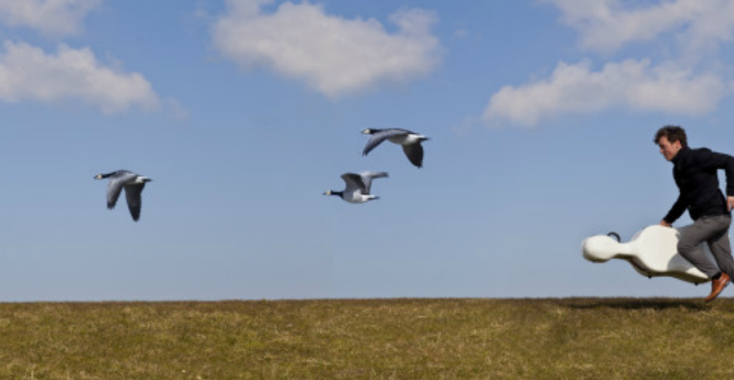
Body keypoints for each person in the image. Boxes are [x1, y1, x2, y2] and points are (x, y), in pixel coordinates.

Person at [655, 125, 734, 302]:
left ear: (677, 143)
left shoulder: (698, 156)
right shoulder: (677, 170)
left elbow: (730, 161)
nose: (661, 151)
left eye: (663, 146)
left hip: (714, 216)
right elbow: (684, 198)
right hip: (712, 219)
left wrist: (732, 191)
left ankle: (717, 278)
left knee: (685, 245)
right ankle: (722, 274)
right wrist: (668, 220)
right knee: (727, 265)